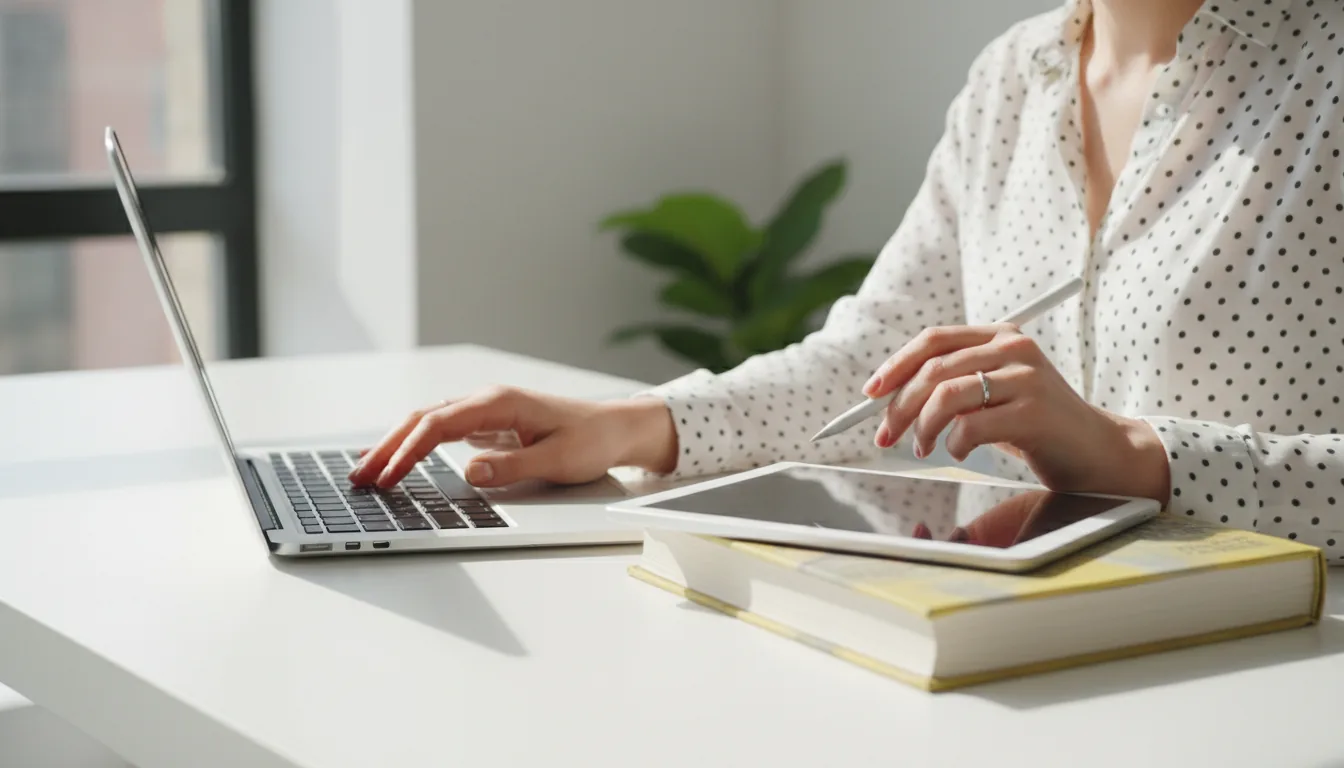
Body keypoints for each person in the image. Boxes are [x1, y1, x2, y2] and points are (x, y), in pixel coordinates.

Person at [350, 0, 1344, 564]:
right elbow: (871, 362)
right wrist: (634, 425)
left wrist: (1138, 455)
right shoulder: (1013, 77)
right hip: (1014, 654)